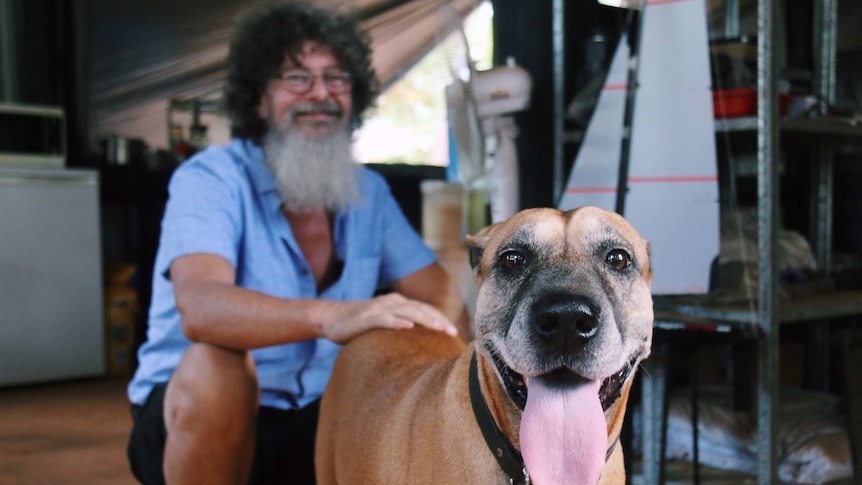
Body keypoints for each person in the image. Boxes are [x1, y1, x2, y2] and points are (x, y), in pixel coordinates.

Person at [126, 2, 471, 484]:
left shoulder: (366, 192)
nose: (320, 95)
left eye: (336, 78)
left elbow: (442, 302)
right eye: (296, 78)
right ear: (257, 99)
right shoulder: (211, 178)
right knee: (218, 362)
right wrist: (334, 316)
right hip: (201, 420)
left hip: (316, 416)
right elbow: (200, 307)